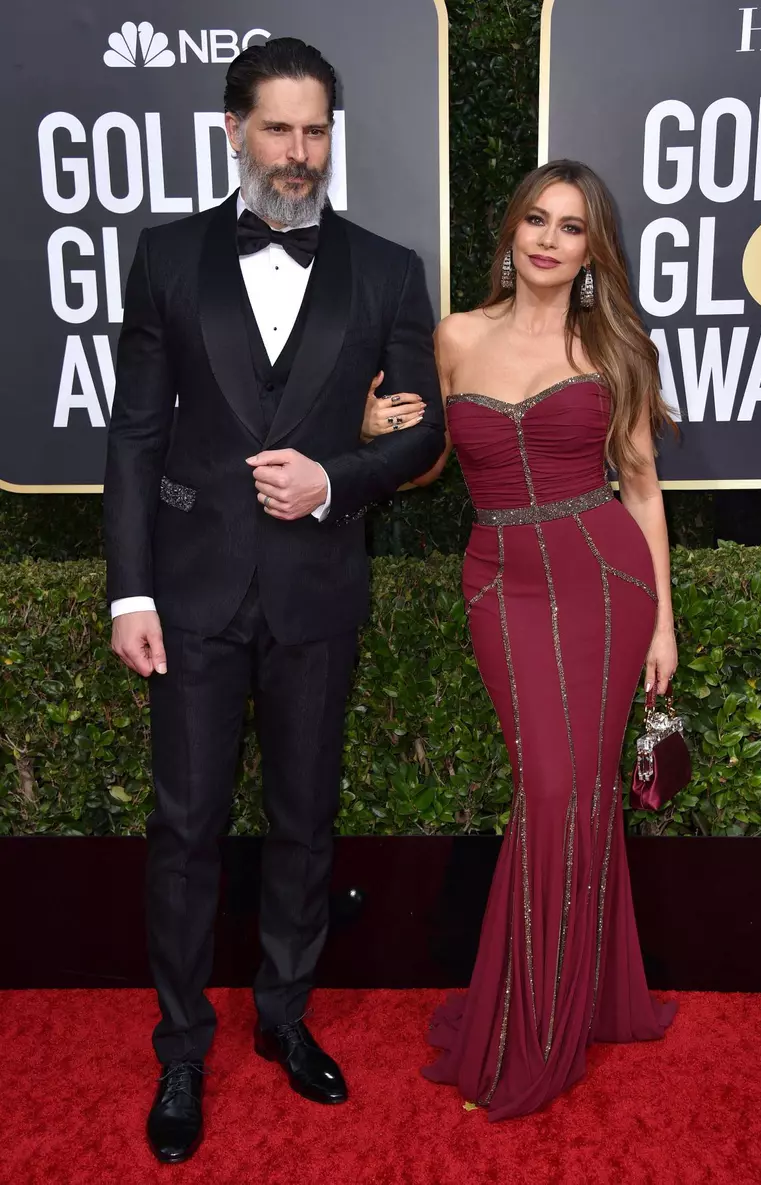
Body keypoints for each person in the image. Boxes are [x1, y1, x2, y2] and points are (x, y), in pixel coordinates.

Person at [103, 38, 444, 1164]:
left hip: (314, 588)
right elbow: (136, 434)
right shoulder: (163, 258)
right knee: (185, 830)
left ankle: (287, 1018)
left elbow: (422, 431)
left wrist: (331, 481)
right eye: (280, 129)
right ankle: (183, 1045)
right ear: (234, 130)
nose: (300, 154)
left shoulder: (389, 269)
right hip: (191, 595)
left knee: (304, 823)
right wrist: (130, 590)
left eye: (317, 131)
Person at [363, 160, 678, 1120]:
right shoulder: (454, 336)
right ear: (510, 230)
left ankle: (544, 1022)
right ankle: (562, 999)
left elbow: (642, 488)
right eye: (534, 218)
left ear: (593, 249)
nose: (547, 238)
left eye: (571, 227)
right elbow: (425, 469)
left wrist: (665, 617)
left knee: (574, 790)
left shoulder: (612, 342)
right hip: (501, 580)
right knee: (551, 785)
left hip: (605, 577)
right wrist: (378, 428)